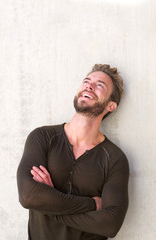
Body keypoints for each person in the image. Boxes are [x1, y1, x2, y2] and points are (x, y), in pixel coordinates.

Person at [17, 64, 129, 240]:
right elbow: (28, 195)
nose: (89, 86)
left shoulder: (114, 159)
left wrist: (48, 202)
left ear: (110, 105)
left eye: (100, 85)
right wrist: (92, 204)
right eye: (86, 81)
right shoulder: (43, 137)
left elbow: (110, 224)